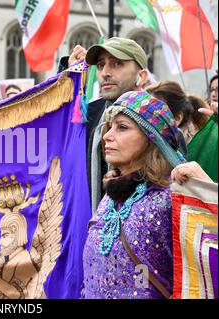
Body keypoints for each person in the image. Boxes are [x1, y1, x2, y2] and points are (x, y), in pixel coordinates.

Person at [82, 90, 185, 299]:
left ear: (151, 138)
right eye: (109, 127)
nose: (108, 136)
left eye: (122, 127)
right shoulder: (111, 196)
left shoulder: (171, 200)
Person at [59, 37, 150, 214]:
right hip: (90, 226)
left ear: (142, 75)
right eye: (101, 65)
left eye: (117, 64)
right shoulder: (91, 112)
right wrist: (69, 75)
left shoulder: (158, 119)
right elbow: (58, 131)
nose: (105, 73)